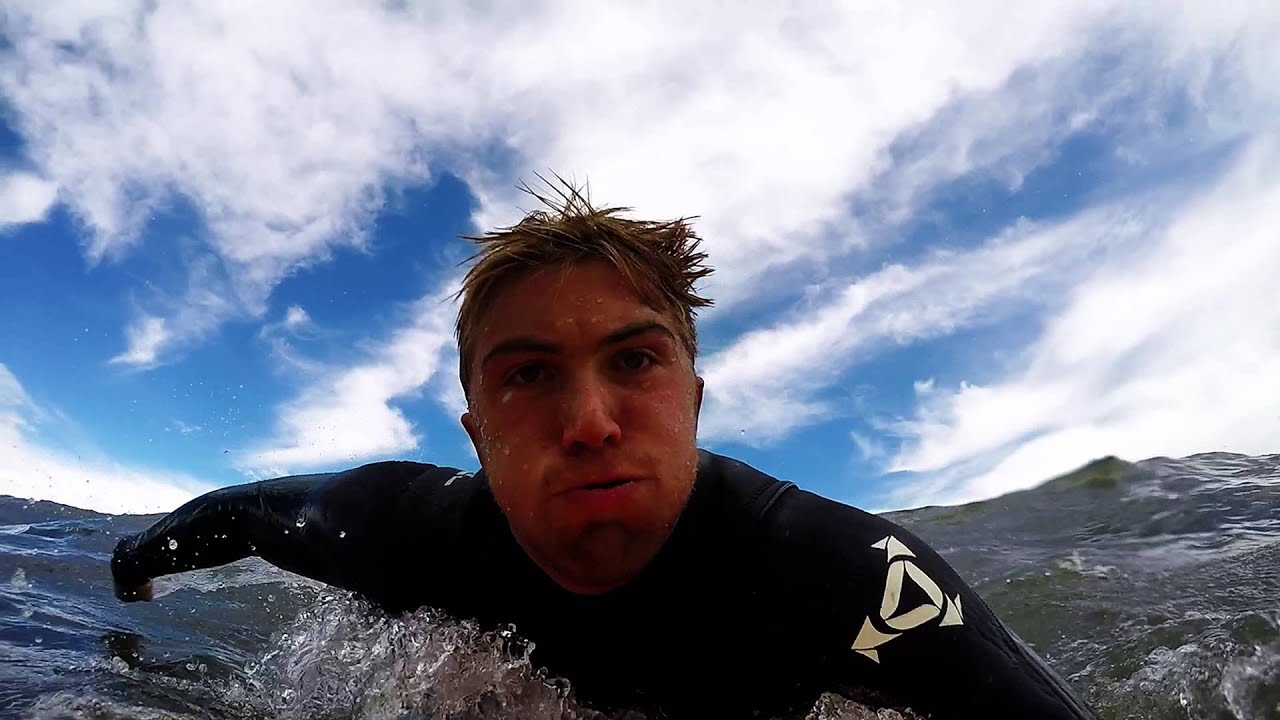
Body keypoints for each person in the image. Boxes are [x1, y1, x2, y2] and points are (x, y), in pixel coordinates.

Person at [111, 179, 1098, 719]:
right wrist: (134, 569)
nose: (587, 422)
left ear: (694, 403)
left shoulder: (834, 573)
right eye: (529, 374)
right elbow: (236, 514)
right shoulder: (408, 527)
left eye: (632, 360)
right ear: (476, 436)